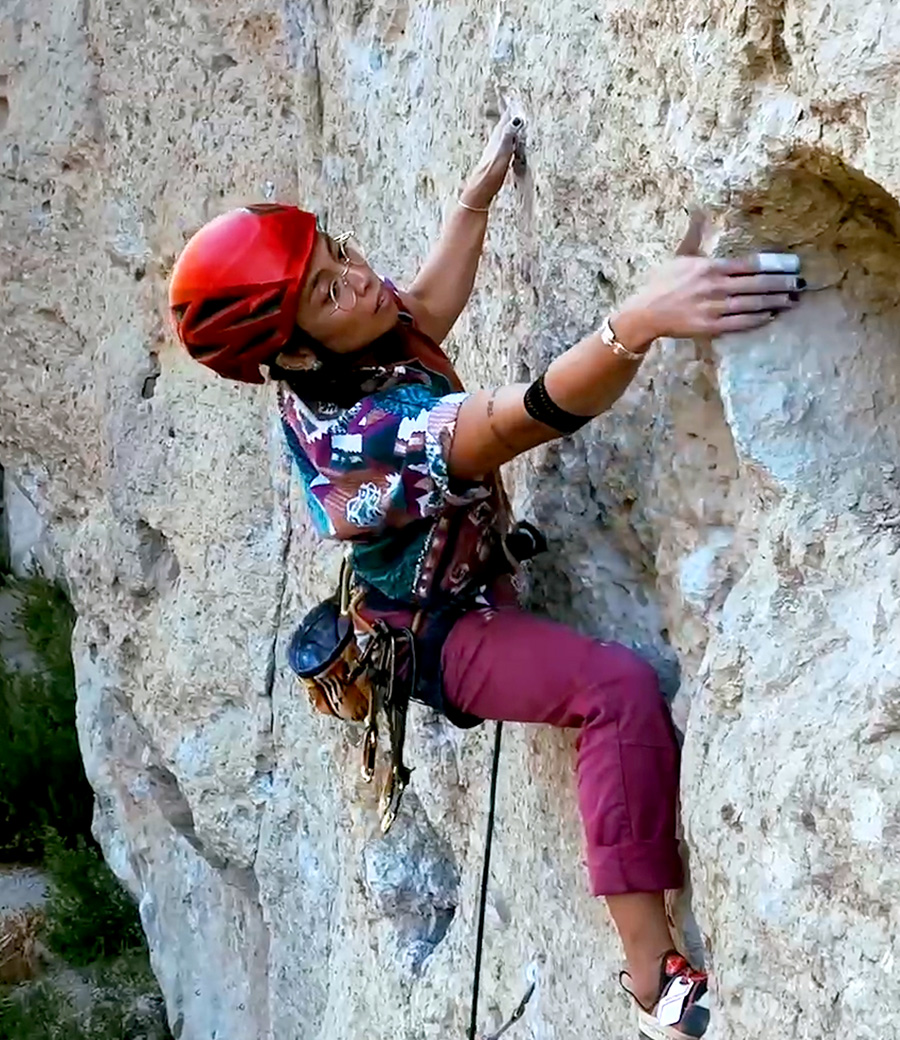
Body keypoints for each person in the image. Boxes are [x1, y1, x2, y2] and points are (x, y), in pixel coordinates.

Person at [168, 109, 802, 1040]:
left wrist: (476, 195)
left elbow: (424, 304)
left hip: (454, 583)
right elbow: (520, 419)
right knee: (615, 688)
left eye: (338, 250)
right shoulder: (356, 439)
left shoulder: (359, 341)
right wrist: (639, 323)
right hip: (437, 630)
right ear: (295, 352)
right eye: (329, 290)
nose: (358, 277)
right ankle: (650, 979)